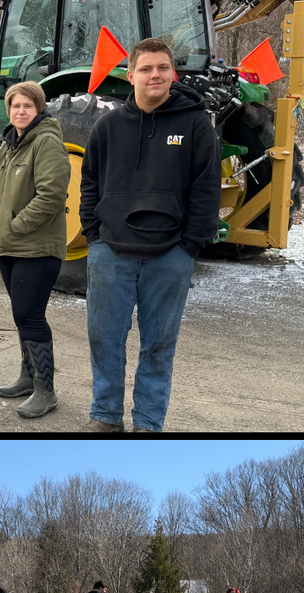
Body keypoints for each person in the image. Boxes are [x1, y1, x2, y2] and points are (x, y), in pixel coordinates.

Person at [80, 38, 221, 433]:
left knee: (158, 345)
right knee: (104, 340)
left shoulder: (195, 124)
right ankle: (105, 417)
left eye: (162, 68)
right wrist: (94, 236)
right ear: (131, 76)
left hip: (170, 255)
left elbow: (207, 188)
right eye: (145, 69)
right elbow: (89, 182)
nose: (154, 75)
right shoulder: (107, 126)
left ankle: (147, 424)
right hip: (110, 252)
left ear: (173, 74)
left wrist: (189, 245)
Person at [0, 80, 70, 419]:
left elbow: (51, 195)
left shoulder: (46, 143)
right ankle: (28, 376)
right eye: (15, 106)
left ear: (39, 108)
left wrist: (16, 225)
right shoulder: (10, 144)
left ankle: (45, 391)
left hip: (36, 246)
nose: (20, 111)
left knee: (30, 314)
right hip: (10, 245)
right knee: (21, 313)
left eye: (27, 106)